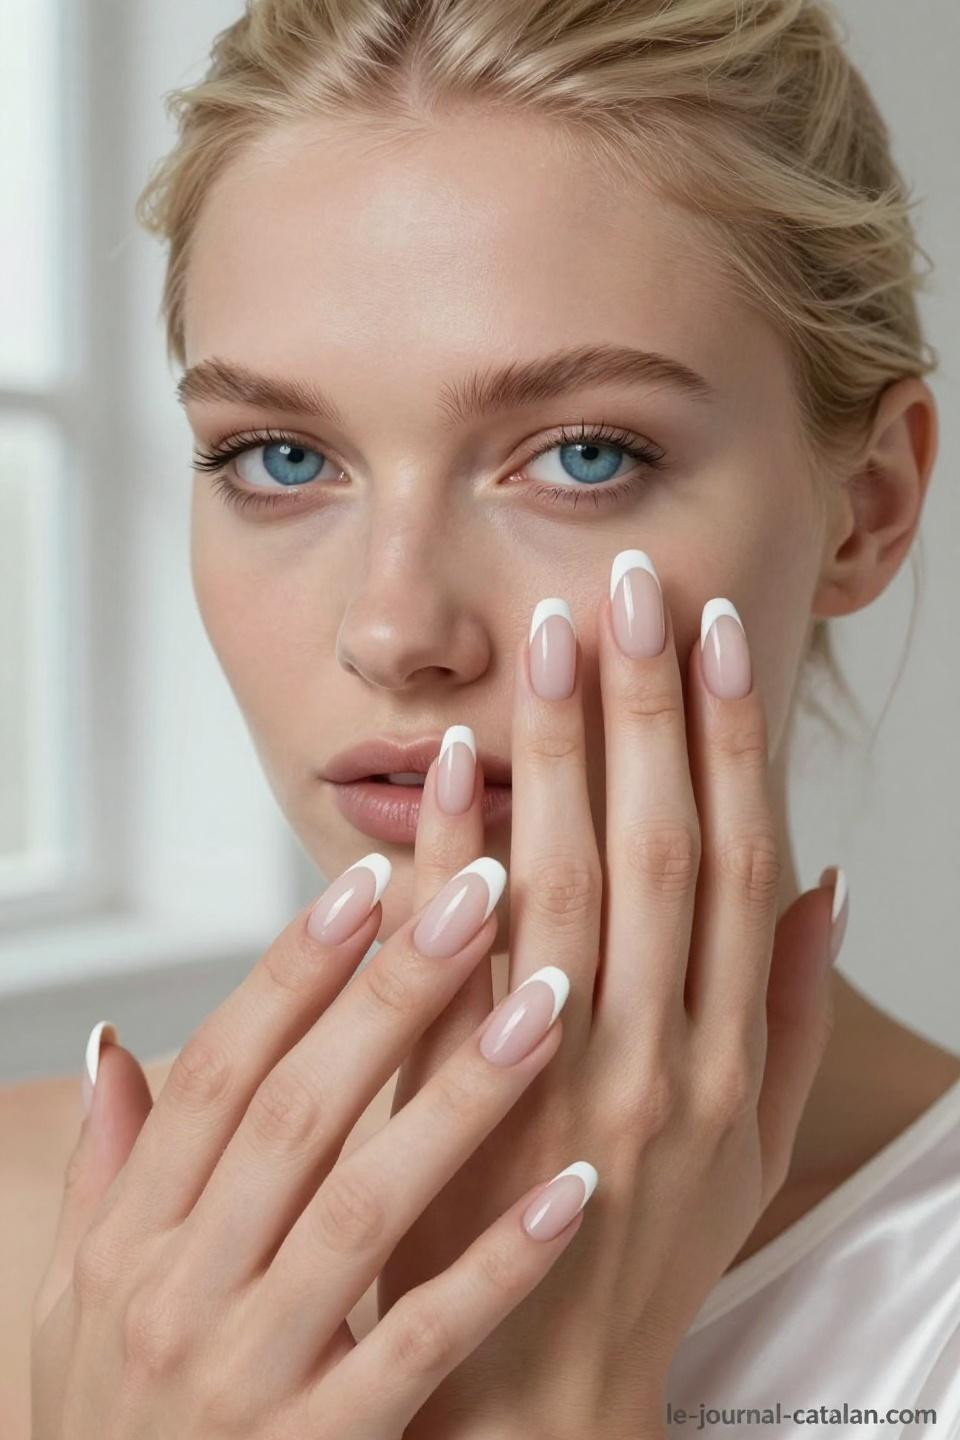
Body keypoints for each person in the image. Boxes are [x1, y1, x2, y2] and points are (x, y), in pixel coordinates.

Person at [4, 0, 959, 1434]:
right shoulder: (47, 1244)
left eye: (583, 455)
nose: (393, 630)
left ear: (866, 510)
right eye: (278, 456)